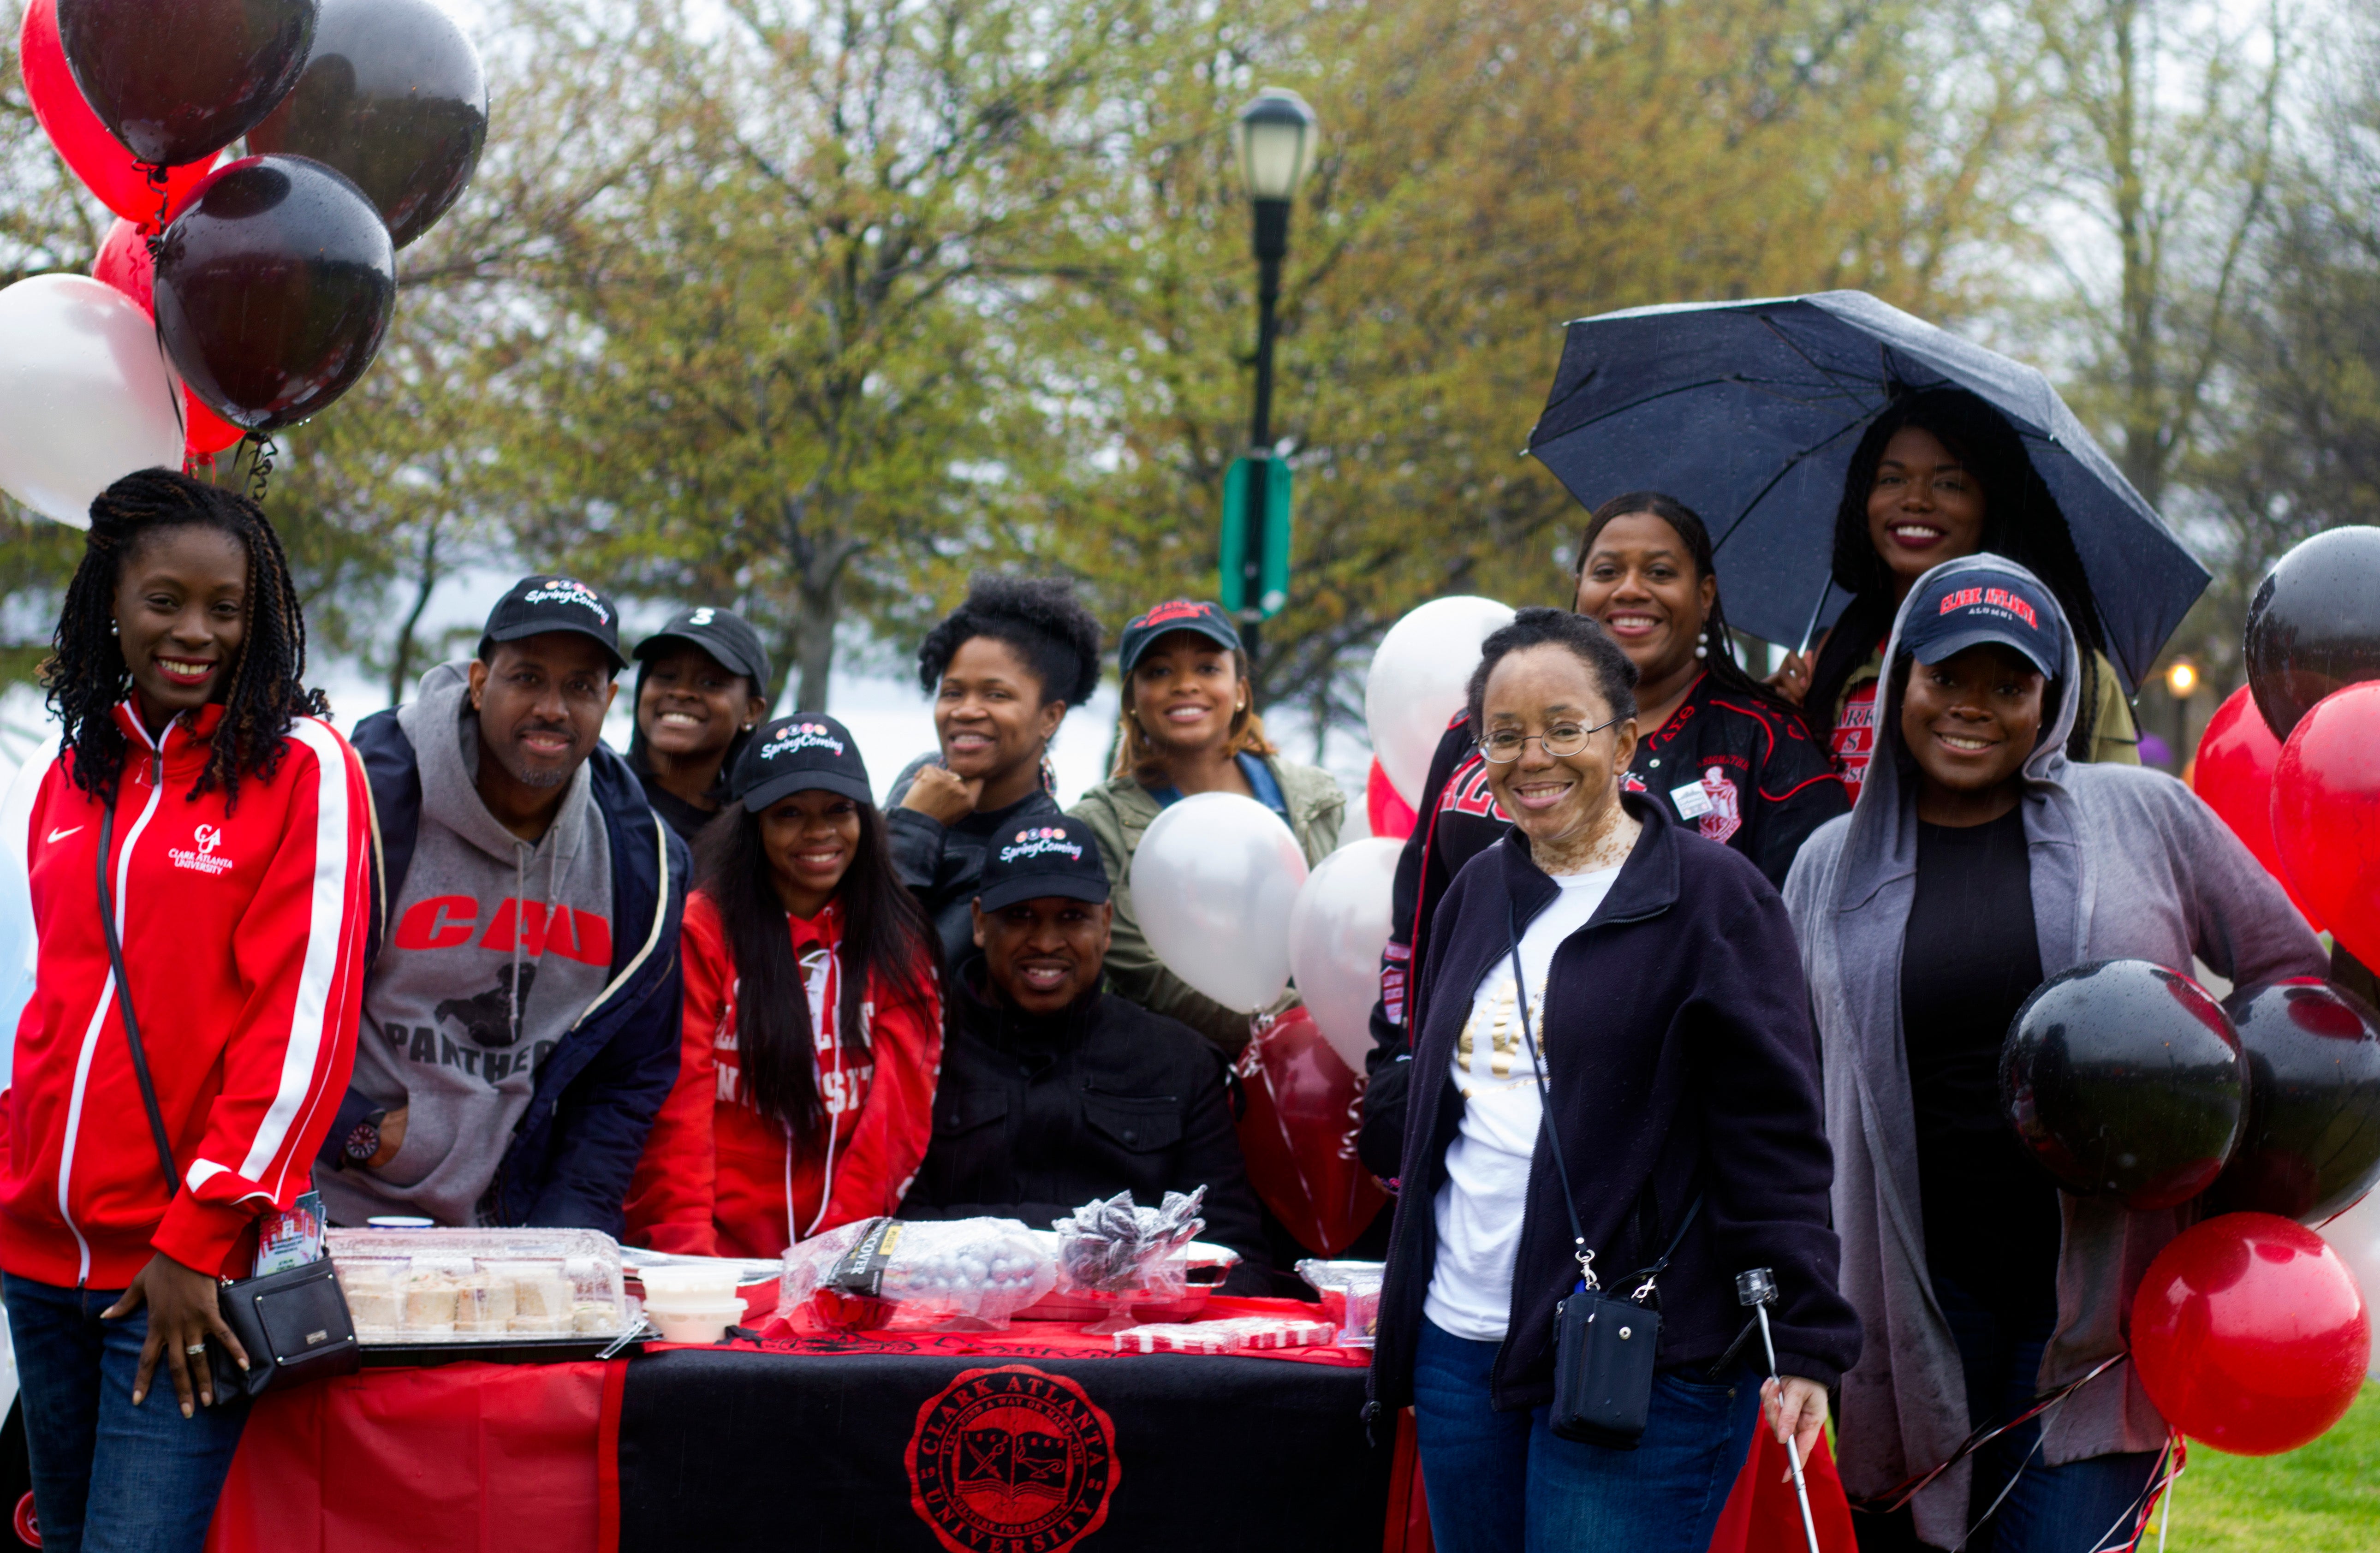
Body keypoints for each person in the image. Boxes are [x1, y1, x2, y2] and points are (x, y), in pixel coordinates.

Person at [1781, 555, 2324, 1553]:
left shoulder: (2145, 817)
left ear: (2055, 697)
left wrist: (2212, 1140)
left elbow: (2293, 987)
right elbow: (1786, 1087)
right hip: (1903, 1312)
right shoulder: (1828, 865)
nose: (1973, 707)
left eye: (2009, 684)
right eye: (1947, 677)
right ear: (1902, 675)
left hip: (2099, 1316)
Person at [1369, 607, 1859, 1553]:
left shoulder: (1713, 898)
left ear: (1626, 739)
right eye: (1504, 735)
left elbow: (1773, 1136)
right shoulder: (1478, 888)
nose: (1533, 755)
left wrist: (1803, 1337)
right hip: (1459, 1343)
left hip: (1637, 1347)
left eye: (1564, 726)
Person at [1, 471, 373, 1553]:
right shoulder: (73, 772)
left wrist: (200, 1237)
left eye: (227, 608)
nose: (195, 633)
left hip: (179, 1273)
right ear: (110, 598)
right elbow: (45, 997)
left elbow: (300, 1029)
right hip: (38, 1261)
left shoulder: (305, 769)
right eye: (166, 599)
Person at [1358, 491, 1846, 1178]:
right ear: (1579, 587)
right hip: (1473, 1117)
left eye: (1661, 572)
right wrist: (1400, 1060)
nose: (1631, 590)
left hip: (1660, 1140)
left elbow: (1803, 964)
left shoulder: (1768, 746)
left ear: (1705, 595)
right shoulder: (1475, 731)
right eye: (1608, 569)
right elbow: (1417, 924)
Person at [316, 576, 688, 1235]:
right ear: (482, 681)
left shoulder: (643, 859)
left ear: (608, 700)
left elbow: (629, 1072)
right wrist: (356, 1131)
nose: (552, 707)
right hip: (338, 1214)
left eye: (579, 686)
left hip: (516, 1232)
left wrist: (570, 1231)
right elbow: (267, 1001)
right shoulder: (363, 800)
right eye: (528, 678)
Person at [900, 819, 1269, 1289]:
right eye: (1020, 916)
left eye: (1072, 917)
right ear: (978, 922)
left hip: (1135, 1350)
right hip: (945, 1337)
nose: (1047, 942)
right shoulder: (916, 1050)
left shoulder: (1181, 1059)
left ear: (1108, 924)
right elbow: (883, 1237)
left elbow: (1235, 1260)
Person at [625, 714, 942, 1258]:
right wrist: (692, 1265)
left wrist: (834, 1261)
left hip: (838, 1260)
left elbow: (898, 1118)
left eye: (839, 810)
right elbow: (679, 1113)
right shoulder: (702, 928)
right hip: (711, 1261)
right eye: (789, 813)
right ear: (754, 824)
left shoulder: (900, 935)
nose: (819, 832)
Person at [1769, 387, 2139, 803]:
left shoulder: (2072, 671)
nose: (1915, 500)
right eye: (1892, 479)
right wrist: (1781, 720)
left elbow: (2120, 823)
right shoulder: (1835, 657)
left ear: (1992, 506)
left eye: (1950, 484)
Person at [1069, 600, 1344, 1051]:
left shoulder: (1316, 797)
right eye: (1158, 672)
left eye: (1207, 668)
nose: (1185, 686)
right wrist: (1300, 1023)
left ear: (1239, 690)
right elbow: (1146, 974)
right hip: (1172, 1080)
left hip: (1327, 1070)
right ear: (1132, 699)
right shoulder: (1098, 825)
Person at [888, 575, 1104, 965]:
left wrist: (917, 827)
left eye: (996, 694)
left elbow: (892, 964)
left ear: (1050, 717)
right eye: (952, 692)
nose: (965, 710)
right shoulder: (917, 780)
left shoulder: (1039, 847)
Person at [624, 605, 773, 842]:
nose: (682, 693)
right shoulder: (595, 790)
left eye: (711, 682)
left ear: (751, 711)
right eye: (666, 676)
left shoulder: (750, 836)